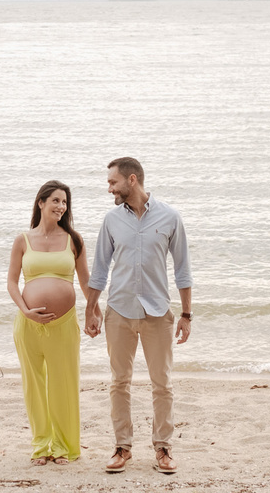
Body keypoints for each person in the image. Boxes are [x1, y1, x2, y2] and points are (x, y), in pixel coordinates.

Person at [84, 157, 192, 475]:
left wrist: (186, 314)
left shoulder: (170, 217)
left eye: (112, 182)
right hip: (119, 311)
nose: (109, 189)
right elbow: (100, 269)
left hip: (158, 313)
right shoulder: (111, 220)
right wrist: (91, 309)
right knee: (119, 382)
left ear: (132, 180)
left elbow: (183, 269)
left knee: (163, 384)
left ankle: (163, 448)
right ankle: (122, 447)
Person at [7, 180, 91, 466]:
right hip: (28, 324)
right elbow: (12, 282)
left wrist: (93, 310)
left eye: (65, 202)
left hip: (63, 324)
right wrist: (25, 311)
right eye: (55, 200)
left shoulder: (74, 240)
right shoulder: (23, 240)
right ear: (41, 202)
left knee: (64, 384)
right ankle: (42, 445)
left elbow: (86, 282)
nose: (61, 206)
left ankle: (64, 446)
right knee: (34, 385)